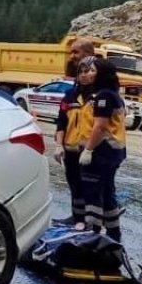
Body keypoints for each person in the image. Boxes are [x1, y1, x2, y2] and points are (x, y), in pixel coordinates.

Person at [76, 57, 127, 241]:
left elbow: (100, 127)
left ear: (102, 74)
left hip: (101, 153)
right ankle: (113, 233)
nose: (89, 73)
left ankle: (93, 233)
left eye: (93, 71)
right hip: (110, 153)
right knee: (107, 193)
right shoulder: (108, 94)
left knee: (93, 192)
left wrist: (88, 150)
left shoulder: (104, 96)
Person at [52, 38, 96, 226]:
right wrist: (58, 144)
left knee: (93, 186)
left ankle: (96, 221)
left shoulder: (102, 92)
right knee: (75, 184)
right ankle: (77, 218)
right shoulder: (71, 93)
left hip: (91, 149)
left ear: (88, 54)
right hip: (71, 149)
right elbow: (62, 119)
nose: (72, 57)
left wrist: (92, 148)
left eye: (75, 53)